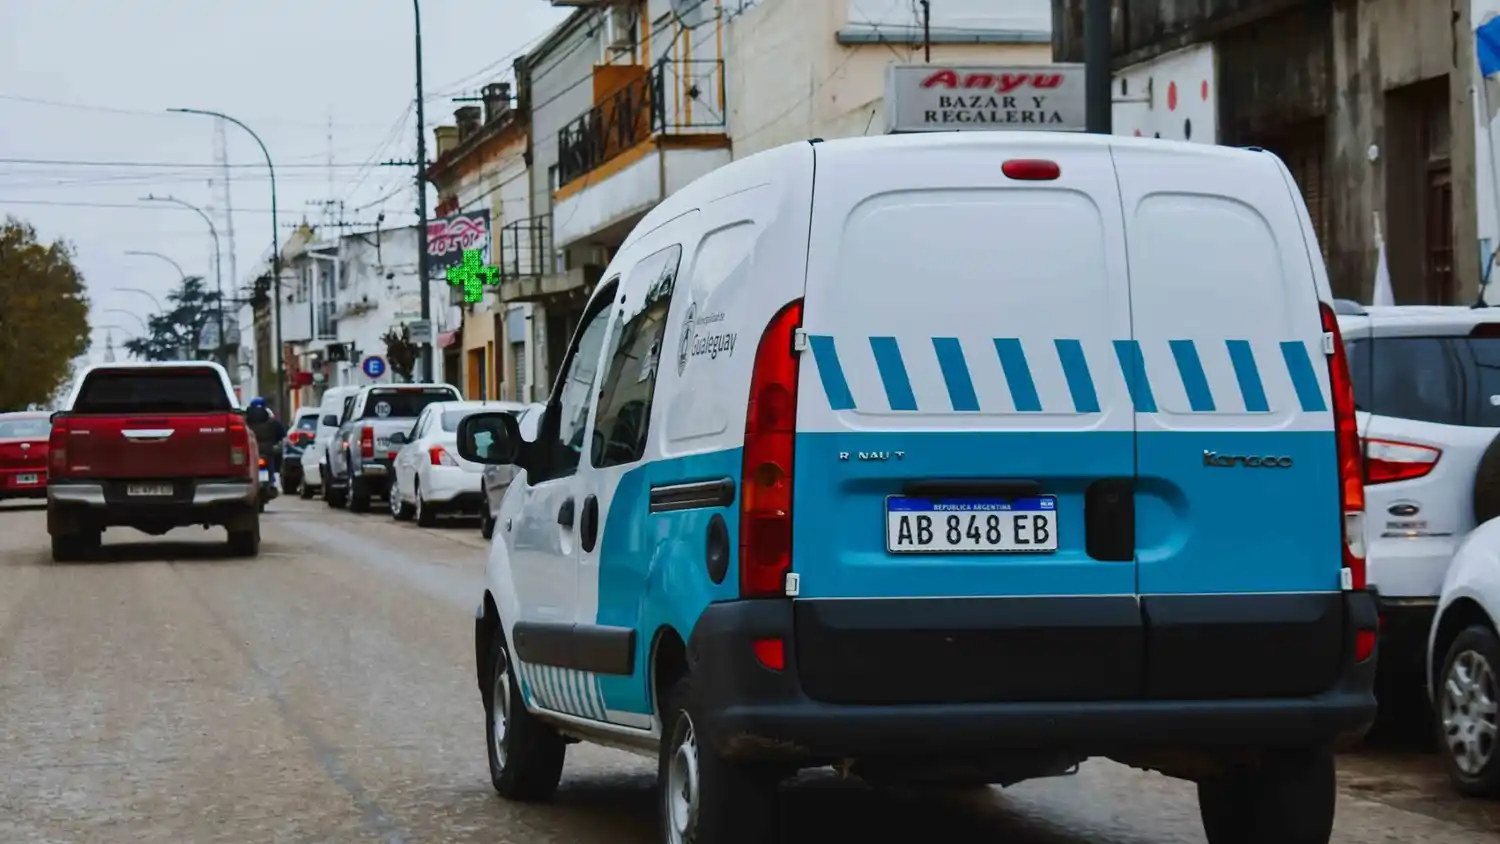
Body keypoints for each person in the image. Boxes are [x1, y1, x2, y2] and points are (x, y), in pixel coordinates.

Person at [245, 397, 287, 478]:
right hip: (269, 450)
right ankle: (274, 480)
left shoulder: (245, 423)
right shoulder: (273, 422)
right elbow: (282, 435)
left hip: (252, 450)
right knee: (274, 465)